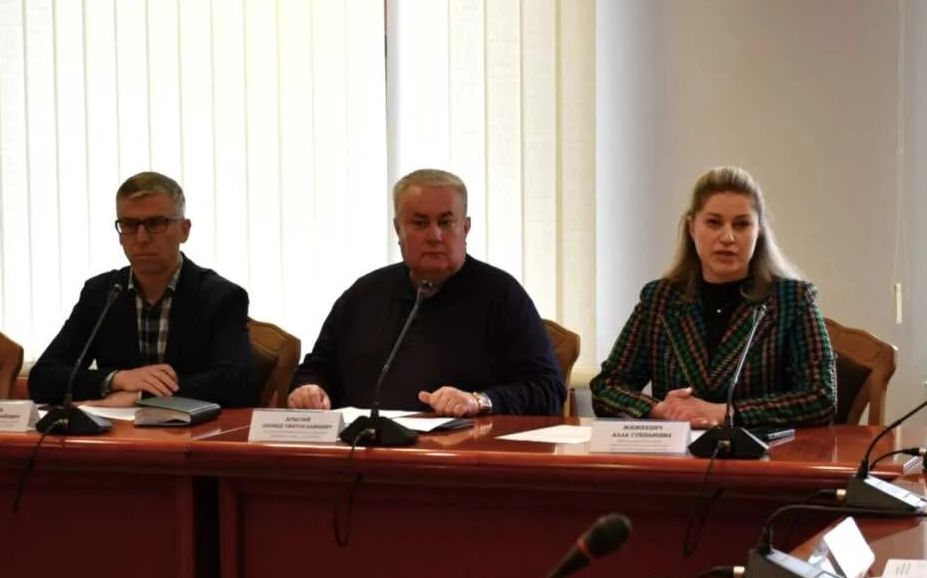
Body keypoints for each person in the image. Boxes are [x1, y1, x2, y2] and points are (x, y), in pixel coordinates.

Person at [287, 168, 565, 417]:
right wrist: (309, 390)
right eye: (420, 223)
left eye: (446, 222)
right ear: (398, 229)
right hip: (364, 449)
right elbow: (315, 369)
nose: (434, 236)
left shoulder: (502, 295)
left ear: (465, 228)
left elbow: (548, 389)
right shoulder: (364, 294)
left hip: (463, 452)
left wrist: (479, 401)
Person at [590, 166, 837, 429]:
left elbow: (821, 397)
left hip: (761, 451)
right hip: (678, 451)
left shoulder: (792, 300)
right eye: (714, 223)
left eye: (741, 224)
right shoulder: (660, 300)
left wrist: (725, 412)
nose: (728, 237)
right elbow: (607, 387)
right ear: (692, 227)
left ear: (759, 231)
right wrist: (661, 410)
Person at [28, 172, 254, 407]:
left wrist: (141, 397)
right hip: (115, 428)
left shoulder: (220, 297)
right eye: (129, 225)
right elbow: (43, 378)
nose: (142, 238)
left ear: (184, 230)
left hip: (193, 428)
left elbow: (239, 383)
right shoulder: (102, 293)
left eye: (156, 224)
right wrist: (117, 379)